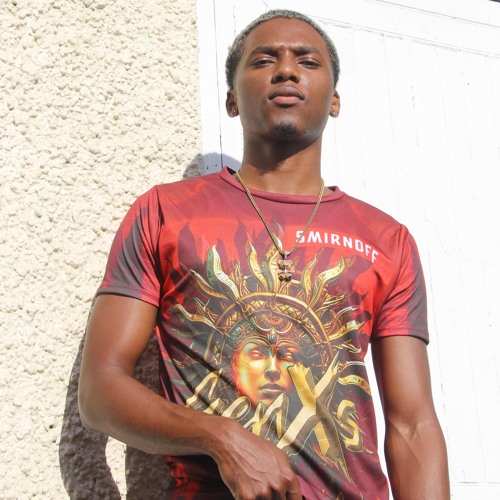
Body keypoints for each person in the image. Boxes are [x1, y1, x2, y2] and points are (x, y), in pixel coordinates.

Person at [79, 9, 450, 499]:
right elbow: (100, 391)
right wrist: (219, 438)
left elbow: (414, 424)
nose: (287, 70)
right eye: (264, 60)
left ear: (335, 100)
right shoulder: (165, 212)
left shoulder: (387, 239)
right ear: (231, 99)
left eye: (308, 61)